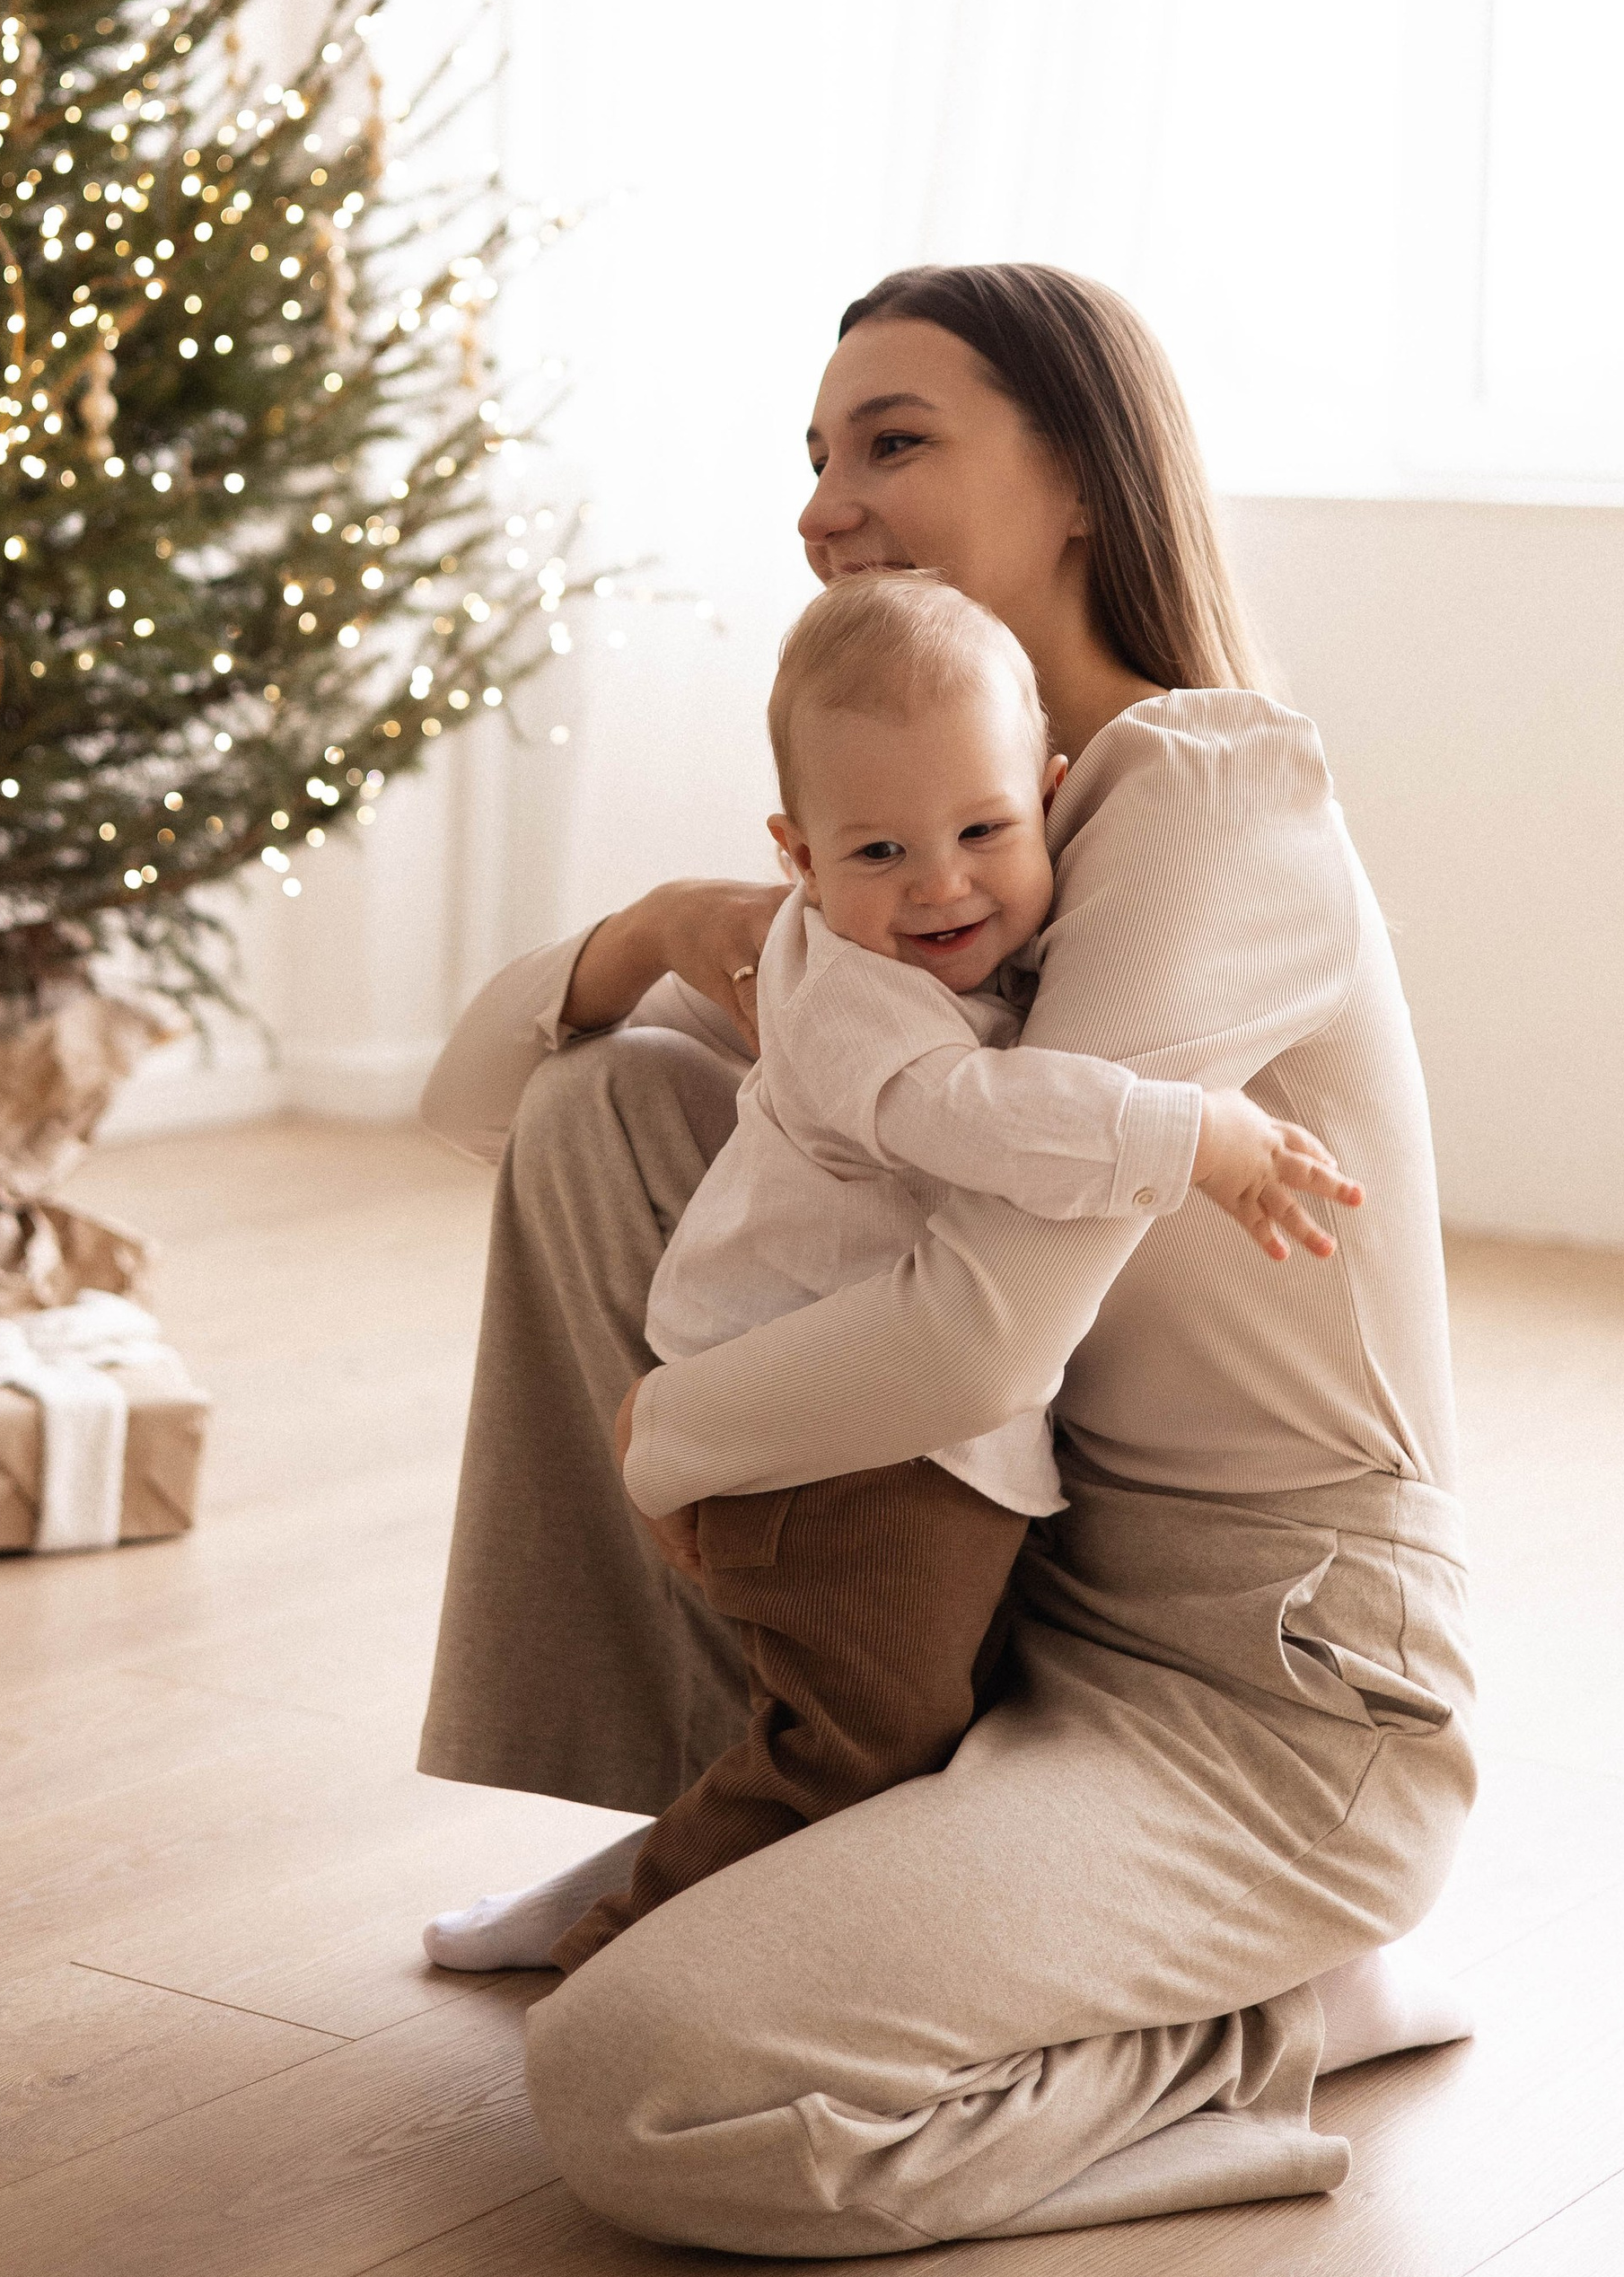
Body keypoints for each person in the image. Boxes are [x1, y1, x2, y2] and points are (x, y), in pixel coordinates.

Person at [417, 262, 1476, 2255]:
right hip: (1002, 1599)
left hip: (1256, 1683)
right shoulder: (917, 872)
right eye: (812, 457)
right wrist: (648, 929)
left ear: (1079, 475)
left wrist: (673, 1435)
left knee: (633, 2089)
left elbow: (985, 1338)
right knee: (616, 1093)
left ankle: (1269, 2022)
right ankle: (739, 1802)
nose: (824, 502)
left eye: (892, 442)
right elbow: (472, 1103)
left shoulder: (1209, 797)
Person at [549, 568, 1364, 1974]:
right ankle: (639, 1948)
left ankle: (782, 1943)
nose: (939, 884)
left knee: (923, 1717)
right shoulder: (856, 1002)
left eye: (984, 829)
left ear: (1049, 796)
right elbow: (974, 1122)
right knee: (863, 1743)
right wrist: (1197, 1135)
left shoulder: (1013, 916)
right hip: (828, 1448)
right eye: (877, 855)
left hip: (888, 1436)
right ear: (796, 857)